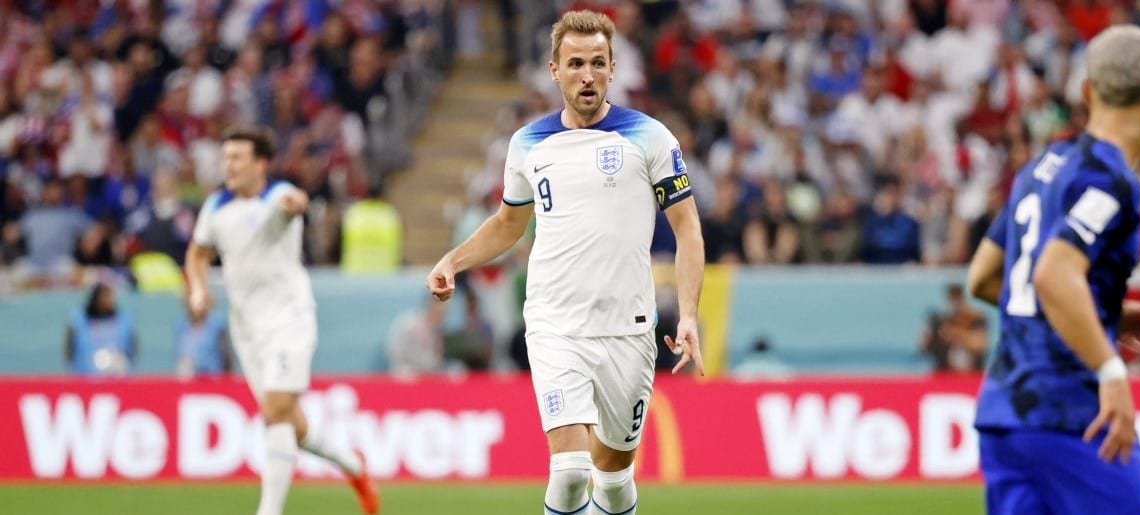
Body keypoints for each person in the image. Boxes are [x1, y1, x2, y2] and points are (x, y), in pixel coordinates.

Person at [426, 11, 705, 515]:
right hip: (556, 325)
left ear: (613, 68)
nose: (587, 74)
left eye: (598, 62)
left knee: (615, 481)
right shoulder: (528, 143)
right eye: (575, 63)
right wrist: (453, 259)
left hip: (628, 328)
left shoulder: (650, 138)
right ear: (554, 70)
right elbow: (508, 224)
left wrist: (687, 314)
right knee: (571, 473)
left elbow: (687, 228)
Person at [965, 25, 1140, 515]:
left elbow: (984, 277)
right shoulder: (1109, 180)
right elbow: (1053, 274)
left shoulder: (1041, 166)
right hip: (1067, 414)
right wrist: (1111, 370)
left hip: (1003, 416)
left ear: (1088, 90)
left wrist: (1101, 313)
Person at [184, 127, 378, 515]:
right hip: (246, 330)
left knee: (273, 411)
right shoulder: (216, 207)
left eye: (237, 157)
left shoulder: (275, 196)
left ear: (260, 163)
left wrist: (297, 202)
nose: (229, 165)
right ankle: (353, 465)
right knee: (292, 424)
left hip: (289, 320)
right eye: (226, 158)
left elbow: (292, 202)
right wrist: (197, 289)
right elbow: (198, 253)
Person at [64, 282, 136, 376]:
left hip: (117, 377)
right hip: (85, 377)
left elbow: (132, 348)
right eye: (103, 297)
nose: (107, 301)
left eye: (109, 297)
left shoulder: (124, 319)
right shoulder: (79, 319)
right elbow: (69, 350)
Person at [920, 283, 988, 373]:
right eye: (952, 299)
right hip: (944, 373)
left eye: (957, 299)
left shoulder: (975, 318)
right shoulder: (941, 320)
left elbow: (980, 345)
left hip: (972, 374)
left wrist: (955, 334)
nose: (954, 304)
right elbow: (925, 348)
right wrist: (928, 336)